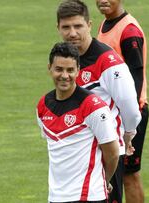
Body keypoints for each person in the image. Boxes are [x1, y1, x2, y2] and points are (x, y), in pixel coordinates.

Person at [56, 1, 142, 202]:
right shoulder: (66, 59)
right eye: (66, 27)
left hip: (106, 150)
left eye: (78, 26)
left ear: (89, 25)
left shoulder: (107, 61)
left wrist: (128, 134)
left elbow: (130, 106)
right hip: (78, 150)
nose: (72, 33)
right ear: (58, 28)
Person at [36, 42, 120, 202]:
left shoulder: (93, 106)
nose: (64, 75)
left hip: (88, 196)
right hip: (56, 197)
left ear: (78, 70)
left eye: (70, 70)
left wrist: (103, 180)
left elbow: (113, 153)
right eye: (59, 69)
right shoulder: (43, 105)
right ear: (50, 68)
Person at [95, 1, 149, 202]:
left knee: (128, 175)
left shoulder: (129, 31)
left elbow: (136, 76)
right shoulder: (105, 23)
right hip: (113, 112)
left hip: (131, 112)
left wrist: (129, 122)